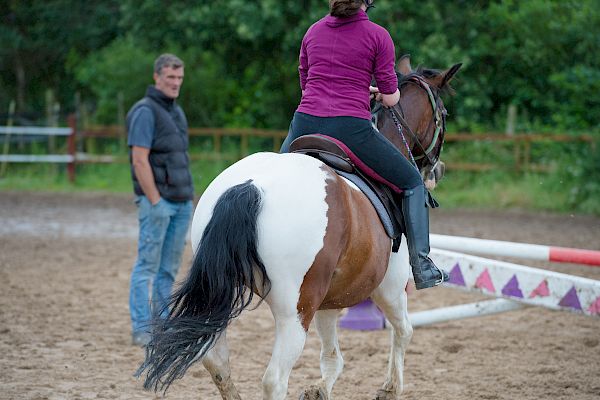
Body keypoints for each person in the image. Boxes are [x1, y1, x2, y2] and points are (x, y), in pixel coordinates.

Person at [280, 0, 448, 290]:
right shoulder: (377, 35)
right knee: (412, 183)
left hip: (303, 123)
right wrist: (378, 94)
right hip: (350, 129)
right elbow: (392, 96)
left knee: (273, 179)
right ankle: (422, 266)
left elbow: (307, 83)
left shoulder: (313, 31)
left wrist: (356, 89)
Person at [126, 53, 194, 346]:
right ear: (156, 77)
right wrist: (154, 200)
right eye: (170, 77)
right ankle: (142, 328)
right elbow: (139, 160)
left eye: (179, 78)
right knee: (147, 267)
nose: (175, 83)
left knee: (168, 269)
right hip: (159, 204)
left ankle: (162, 325)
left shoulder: (176, 111)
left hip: (181, 202)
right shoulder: (144, 111)